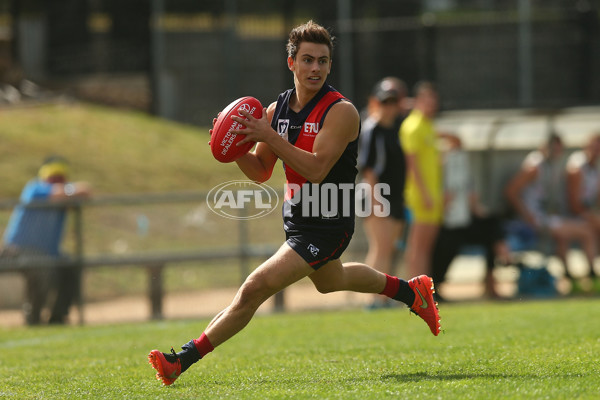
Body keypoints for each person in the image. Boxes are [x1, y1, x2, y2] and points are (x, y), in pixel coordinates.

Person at [148, 21, 441, 386]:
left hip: (328, 223)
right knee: (333, 280)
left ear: (330, 65)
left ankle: (182, 360)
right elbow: (259, 171)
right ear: (291, 64)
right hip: (299, 222)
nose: (315, 67)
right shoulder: (276, 110)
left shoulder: (341, 111)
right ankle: (412, 292)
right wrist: (236, 148)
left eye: (322, 60)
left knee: (254, 288)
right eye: (307, 60)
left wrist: (267, 134)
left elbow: (317, 169)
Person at [1, 156, 92, 325]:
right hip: (17, 250)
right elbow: (58, 193)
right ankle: (33, 319)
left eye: (60, 178)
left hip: (50, 254)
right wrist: (69, 191)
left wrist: (71, 192)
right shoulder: (35, 188)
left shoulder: (65, 194)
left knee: (71, 267)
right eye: (53, 178)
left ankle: (57, 317)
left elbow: (86, 191)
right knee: (42, 268)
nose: (57, 183)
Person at [505, 133, 596, 292]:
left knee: (564, 236)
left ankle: (571, 279)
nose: (557, 153)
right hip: (536, 218)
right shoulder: (534, 166)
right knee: (587, 232)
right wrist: (528, 217)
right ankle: (593, 277)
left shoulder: (551, 165)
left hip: (546, 216)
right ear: (544, 147)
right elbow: (511, 191)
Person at [431, 135, 512, 301]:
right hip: (443, 222)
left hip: (463, 220)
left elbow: (473, 202)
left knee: (492, 226)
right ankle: (435, 284)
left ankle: (492, 280)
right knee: (449, 241)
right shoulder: (435, 170)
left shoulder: (460, 169)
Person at [358, 77, 407, 309]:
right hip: (378, 195)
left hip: (396, 196)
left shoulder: (397, 128)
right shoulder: (373, 128)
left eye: (393, 102)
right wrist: (376, 198)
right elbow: (368, 169)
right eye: (385, 102)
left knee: (390, 248)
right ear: (377, 103)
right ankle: (373, 298)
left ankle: (385, 295)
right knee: (380, 247)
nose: (389, 107)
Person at [400, 81, 444, 278]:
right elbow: (412, 165)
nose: (431, 103)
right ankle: (413, 291)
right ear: (417, 101)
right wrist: (425, 194)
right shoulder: (413, 126)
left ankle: (425, 291)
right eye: (426, 99)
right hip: (419, 196)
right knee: (417, 247)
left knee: (427, 248)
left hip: (432, 195)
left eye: (433, 99)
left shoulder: (428, 125)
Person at [565, 133, 600, 290]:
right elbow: (574, 204)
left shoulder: (596, 167)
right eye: (594, 145)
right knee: (589, 232)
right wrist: (593, 218)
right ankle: (590, 276)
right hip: (568, 214)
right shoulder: (576, 167)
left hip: (585, 213)